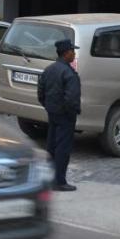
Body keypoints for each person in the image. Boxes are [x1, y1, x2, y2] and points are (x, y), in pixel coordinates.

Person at [36, 39, 81, 192]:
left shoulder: (49, 70)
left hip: (52, 113)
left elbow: (41, 93)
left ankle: (48, 178)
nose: (74, 54)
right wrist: (71, 112)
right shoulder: (69, 73)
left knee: (51, 146)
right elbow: (72, 98)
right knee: (63, 148)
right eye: (72, 51)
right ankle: (59, 181)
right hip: (65, 116)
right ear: (66, 53)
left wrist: (49, 107)